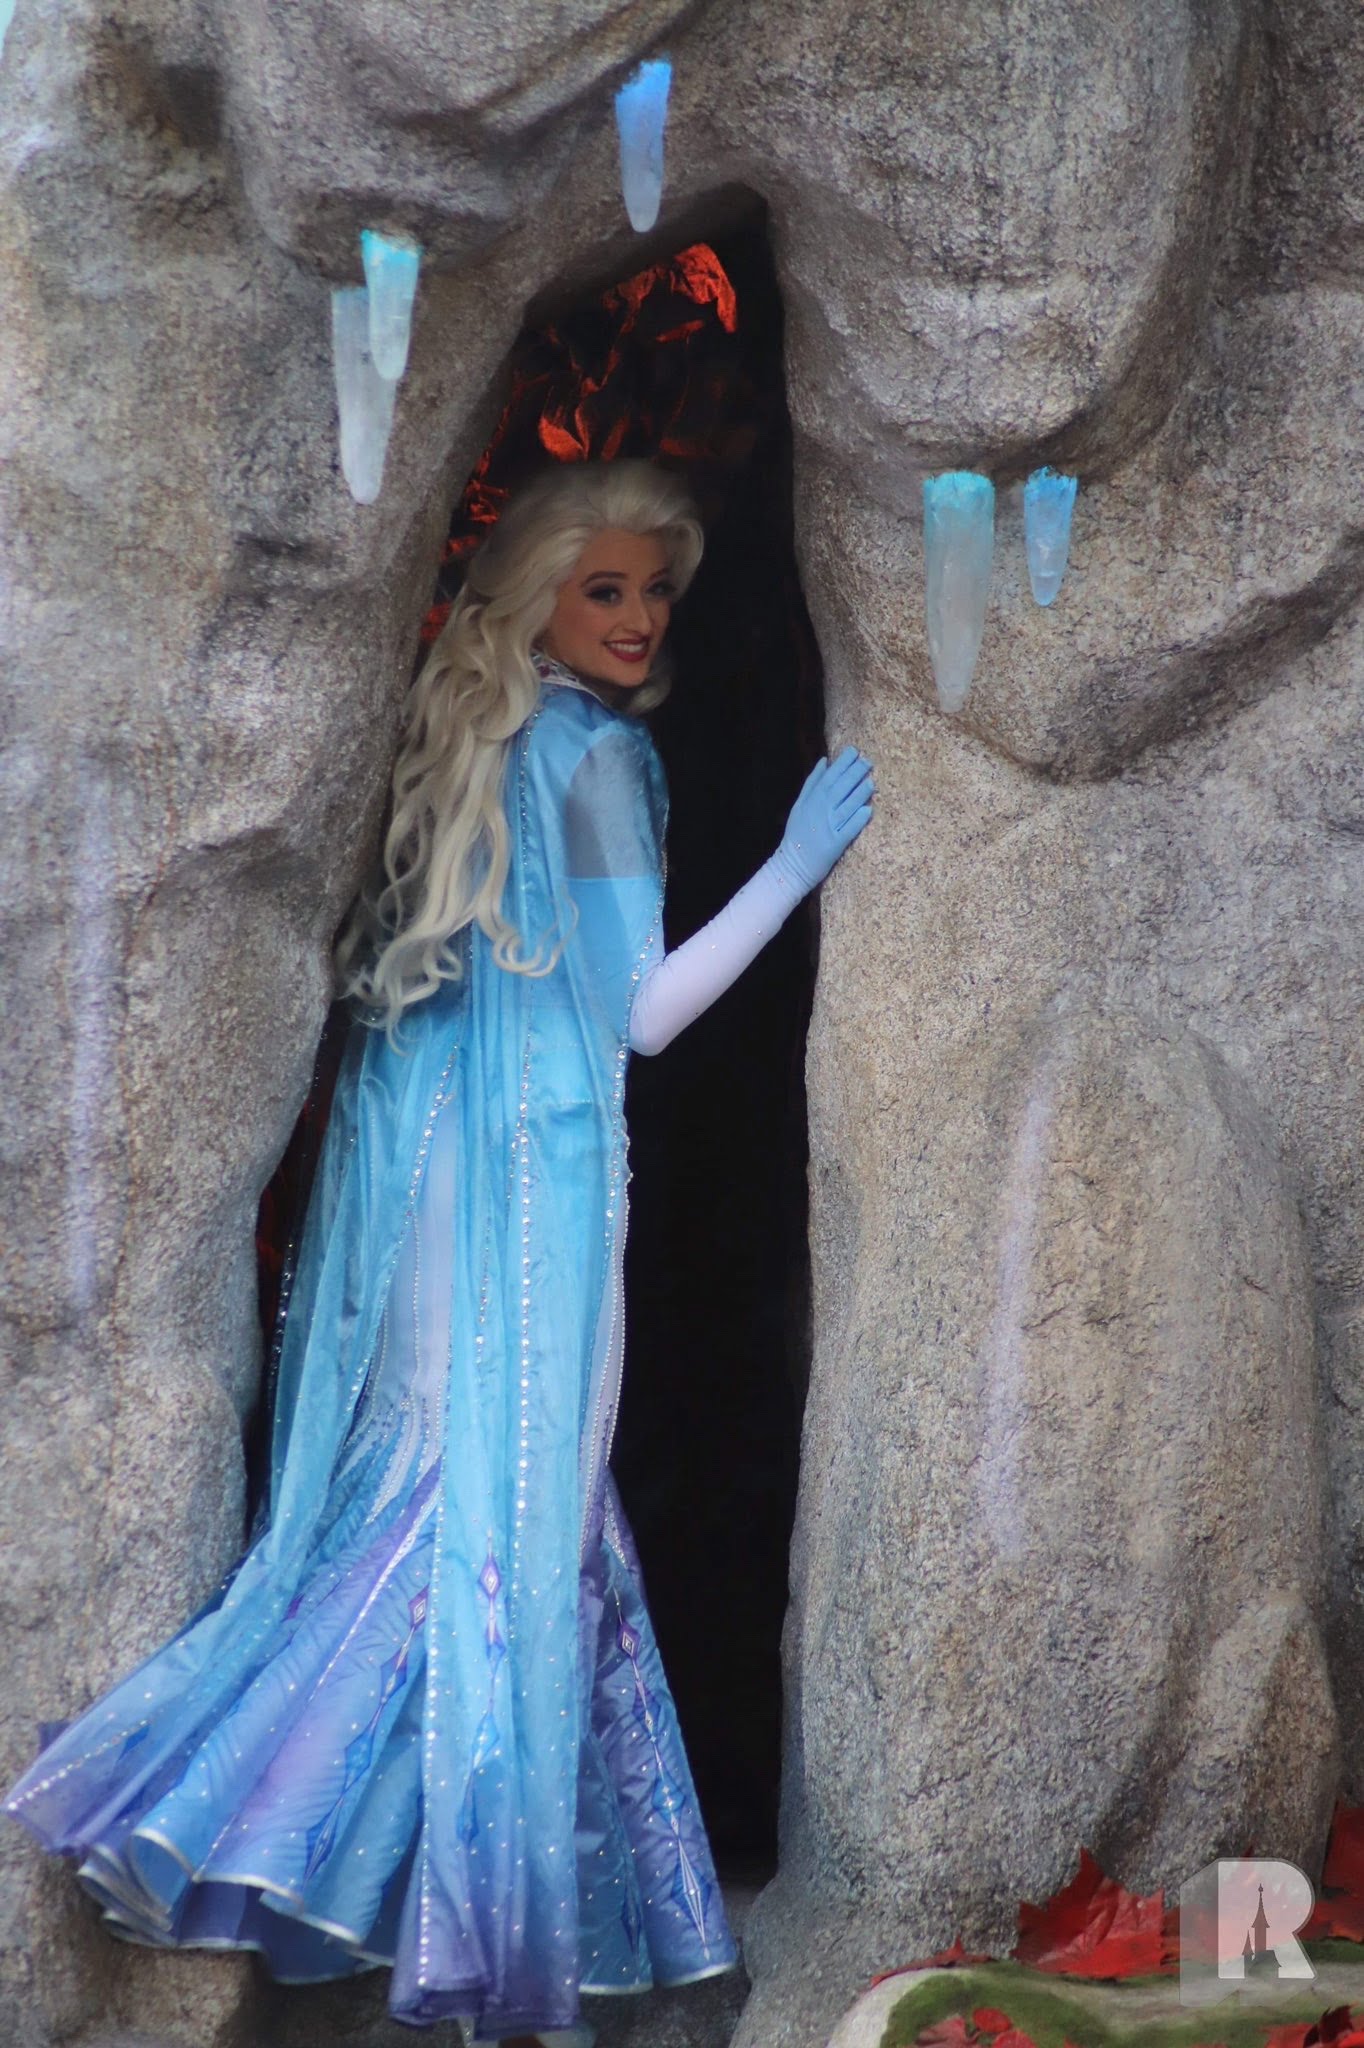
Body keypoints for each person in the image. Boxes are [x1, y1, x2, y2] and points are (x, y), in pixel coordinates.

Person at [2, 457, 874, 2047]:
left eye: (653, 590)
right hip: (536, 1185)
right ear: (538, 595)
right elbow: (643, 1013)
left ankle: (382, 1871)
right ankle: (408, 1889)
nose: (638, 616)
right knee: (510, 1519)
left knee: (434, 1499)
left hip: (426, 1182)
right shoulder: (597, 757)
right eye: (603, 588)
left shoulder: (474, 736)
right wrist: (793, 869)